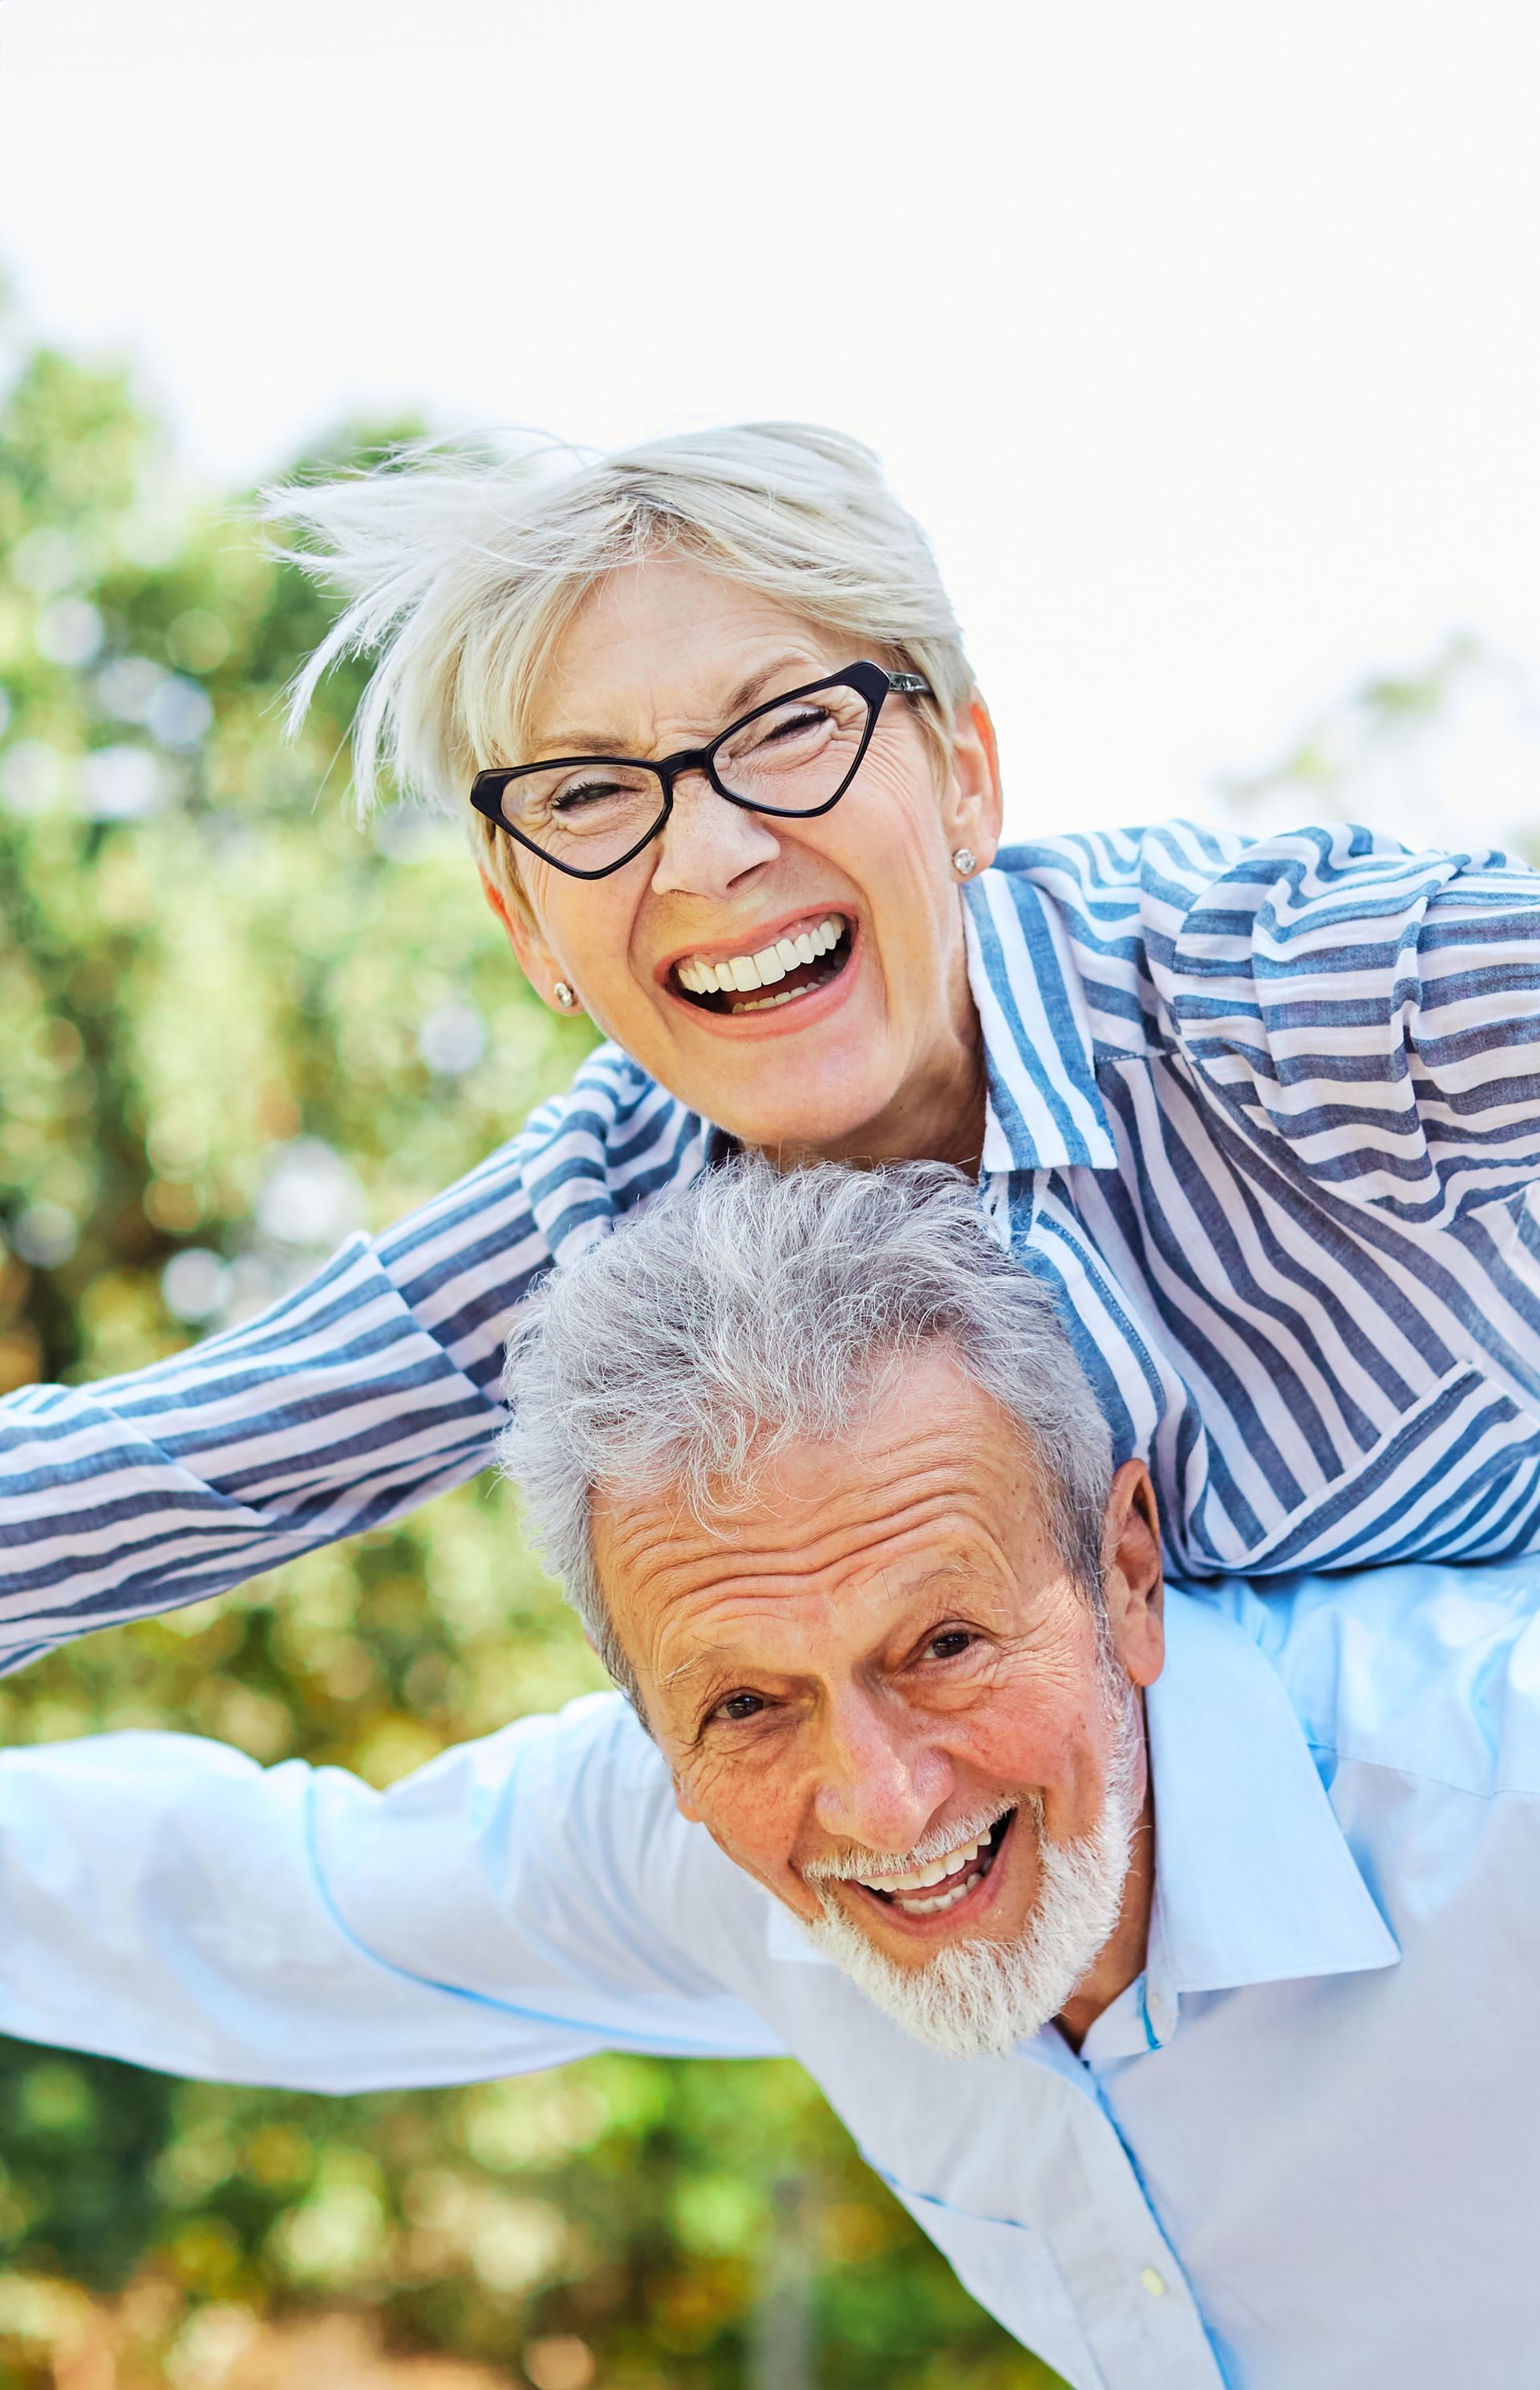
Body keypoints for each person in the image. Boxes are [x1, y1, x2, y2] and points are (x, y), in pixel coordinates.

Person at [5, 420, 1540, 1670]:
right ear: (525, 921)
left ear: (965, 777)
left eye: (791, 725)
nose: (710, 851)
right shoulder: (611, 1214)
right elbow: (173, 1468)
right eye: (592, 795)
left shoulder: (1266, 1000)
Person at [2, 1160, 1534, 2390]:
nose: (881, 1801)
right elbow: (262, 1910)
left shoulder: (1496, 1798)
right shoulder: (703, 1843)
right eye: (745, 1704)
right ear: (651, 1727)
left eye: (942, 1644)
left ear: (1125, 1571)